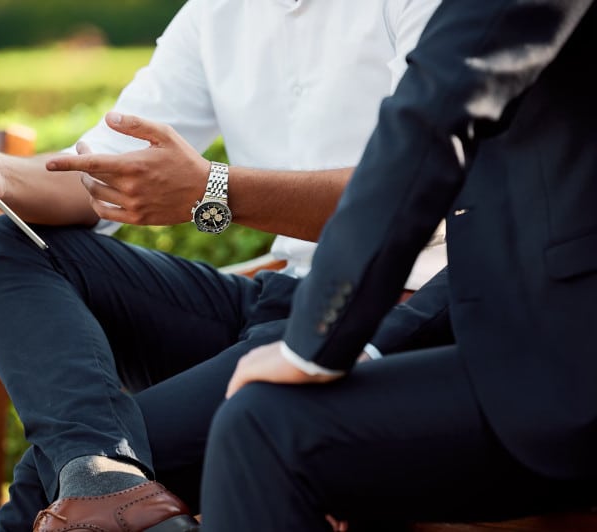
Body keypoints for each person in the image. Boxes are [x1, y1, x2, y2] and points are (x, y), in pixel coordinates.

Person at [0, 1, 444, 530]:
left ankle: (101, 479)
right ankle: (104, 476)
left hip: (389, 312)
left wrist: (214, 190)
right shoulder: (215, 13)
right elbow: (100, 171)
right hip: (277, 298)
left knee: (42, 490)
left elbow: (412, 192)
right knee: (3, 246)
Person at [197, 0, 597, 530]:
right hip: (500, 338)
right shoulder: (212, 16)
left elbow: (431, 116)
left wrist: (315, 343)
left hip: (565, 368)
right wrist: (368, 343)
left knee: (263, 428)